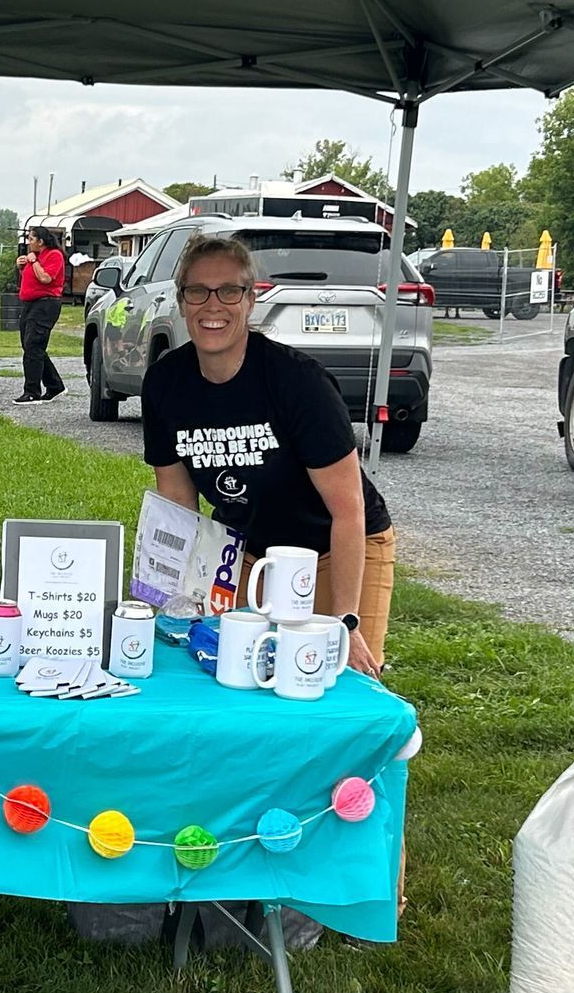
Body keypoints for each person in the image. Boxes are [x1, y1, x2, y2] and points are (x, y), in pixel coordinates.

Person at [141, 233, 395, 673]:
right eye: (197, 291)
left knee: (338, 674)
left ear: (251, 298)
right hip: (245, 551)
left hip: (333, 547)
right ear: (181, 301)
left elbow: (348, 511)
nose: (212, 305)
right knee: (232, 668)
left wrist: (346, 623)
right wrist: (174, 595)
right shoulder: (165, 383)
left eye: (229, 291)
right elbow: (180, 508)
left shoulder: (300, 384)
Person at [15, 224, 67, 404]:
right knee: (30, 345)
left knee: (33, 345)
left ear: (41, 241)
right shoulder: (35, 257)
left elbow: (45, 278)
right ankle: (54, 385)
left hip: (45, 304)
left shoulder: (54, 255)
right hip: (30, 304)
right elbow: (30, 280)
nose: (29, 243)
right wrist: (22, 266)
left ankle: (32, 391)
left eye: (31, 239)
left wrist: (34, 262)